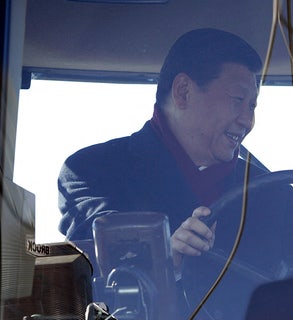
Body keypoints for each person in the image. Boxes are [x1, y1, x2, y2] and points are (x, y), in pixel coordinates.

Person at [57, 27, 266, 304]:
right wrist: (165, 259)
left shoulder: (273, 195)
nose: (247, 121)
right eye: (238, 101)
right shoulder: (91, 171)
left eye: (252, 106)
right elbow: (100, 257)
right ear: (183, 92)